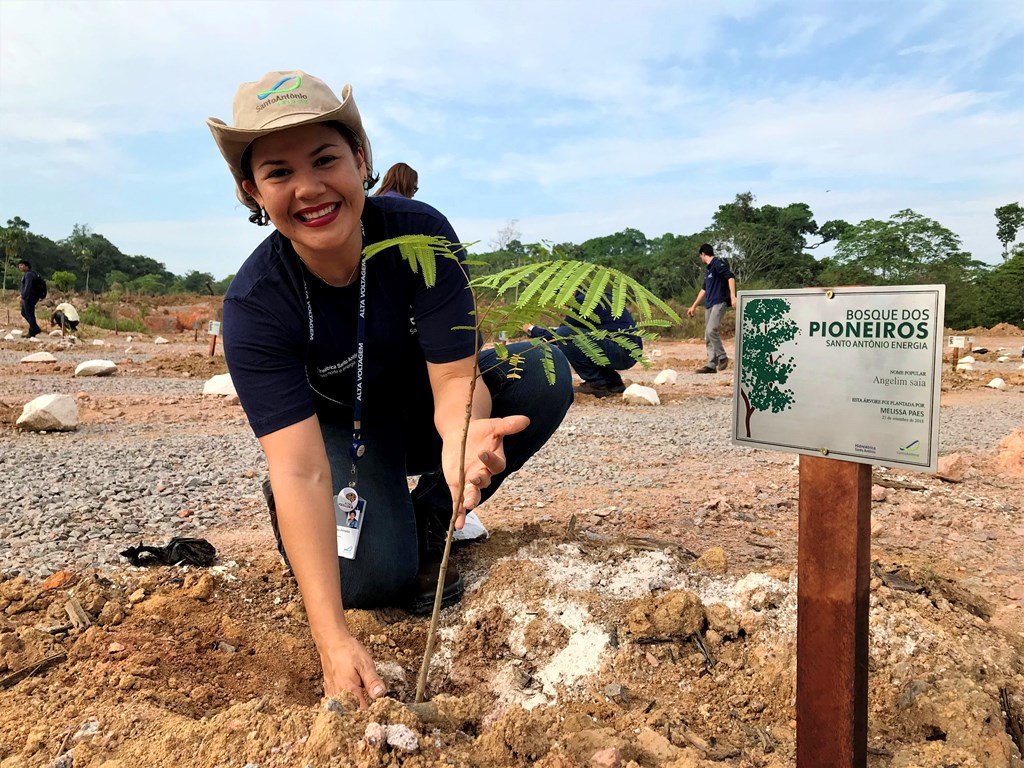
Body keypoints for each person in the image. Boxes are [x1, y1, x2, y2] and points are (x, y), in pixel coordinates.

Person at [207, 70, 572, 706]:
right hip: (338, 442)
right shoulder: (257, 305)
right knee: (375, 579)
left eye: (326, 159)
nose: (310, 188)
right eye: (279, 173)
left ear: (362, 159)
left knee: (542, 370)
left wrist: (464, 438)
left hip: (425, 410)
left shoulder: (419, 235)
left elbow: (458, 379)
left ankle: (435, 511)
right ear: (252, 192)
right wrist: (332, 640)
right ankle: (368, 523)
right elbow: (299, 472)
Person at [523, 293, 642, 397]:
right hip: (628, 351)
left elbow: (560, 334)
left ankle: (597, 383)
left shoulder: (582, 302)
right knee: (587, 341)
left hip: (621, 352)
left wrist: (531, 329)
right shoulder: (596, 296)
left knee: (567, 336)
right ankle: (612, 382)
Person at [686, 244, 736, 374]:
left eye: (700, 256)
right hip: (709, 304)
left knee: (711, 329)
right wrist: (694, 306)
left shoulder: (717, 264)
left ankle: (723, 357)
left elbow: (730, 277)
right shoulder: (708, 270)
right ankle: (711, 365)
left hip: (720, 302)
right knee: (707, 335)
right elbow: (704, 290)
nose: (701, 259)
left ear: (703, 254)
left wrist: (732, 296)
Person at [17, 260, 44, 338]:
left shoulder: (29, 274)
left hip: (29, 297)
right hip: (30, 297)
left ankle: (33, 331)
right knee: (24, 312)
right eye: (19, 265)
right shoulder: (29, 274)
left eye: (22, 265)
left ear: (27, 266)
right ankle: (35, 328)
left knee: (29, 314)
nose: (20, 267)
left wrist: (23, 296)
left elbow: (28, 287)